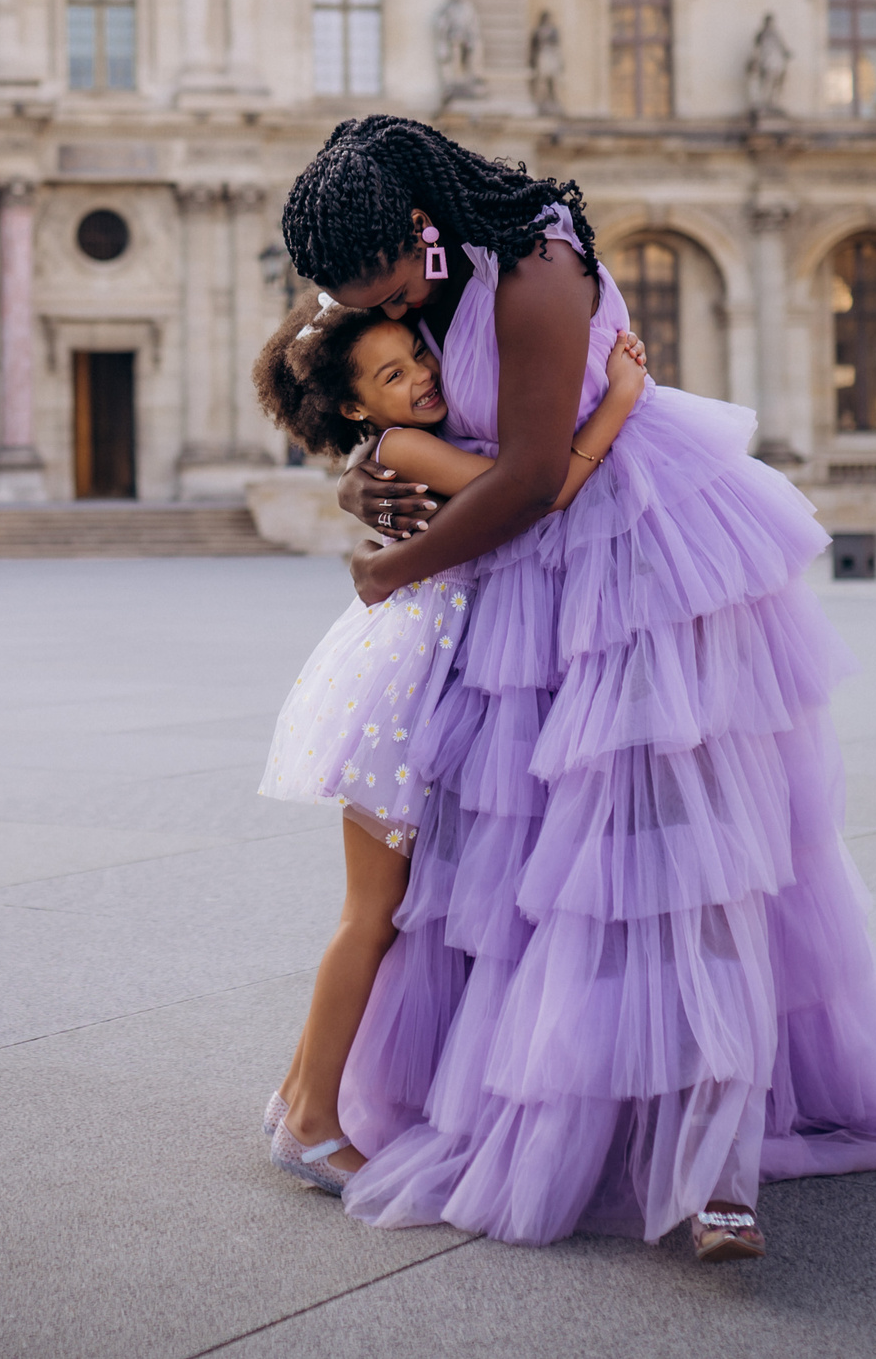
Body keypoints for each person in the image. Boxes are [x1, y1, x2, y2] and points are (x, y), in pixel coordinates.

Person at [273, 114, 876, 1262]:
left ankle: (713, 1171)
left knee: (677, 860)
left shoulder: (536, 267)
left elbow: (524, 479)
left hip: (632, 569)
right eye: (372, 306)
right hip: (508, 589)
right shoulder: (410, 266)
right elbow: (372, 404)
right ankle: (550, 1103)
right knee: (524, 872)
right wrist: (363, 477)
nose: (398, 322)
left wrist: (383, 565)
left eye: (391, 294)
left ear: (417, 228)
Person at [249, 295, 649, 1195]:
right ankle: (311, 1122)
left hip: (420, 671)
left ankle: (293, 1093)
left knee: (379, 910)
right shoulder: (402, 448)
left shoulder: (389, 441)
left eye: (417, 359)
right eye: (393, 375)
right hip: (406, 685)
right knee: (372, 912)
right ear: (358, 408)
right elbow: (536, 491)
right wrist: (618, 400)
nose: (422, 377)